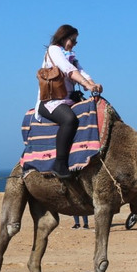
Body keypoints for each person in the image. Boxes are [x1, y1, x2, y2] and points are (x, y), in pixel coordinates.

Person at [35, 25, 102, 179]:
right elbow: (68, 70)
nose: (74, 44)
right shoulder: (54, 50)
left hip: (68, 101)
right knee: (69, 120)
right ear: (64, 37)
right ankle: (60, 164)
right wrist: (87, 85)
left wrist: (93, 84)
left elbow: (82, 72)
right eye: (73, 40)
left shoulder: (71, 56)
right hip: (50, 102)